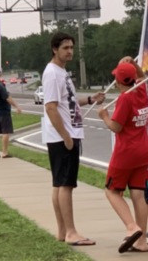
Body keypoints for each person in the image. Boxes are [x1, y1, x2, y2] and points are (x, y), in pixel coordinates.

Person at [42, 31, 105, 246]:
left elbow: (67, 101)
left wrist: (90, 99)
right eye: (65, 48)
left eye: (71, 48)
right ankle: (71, 232)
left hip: (66, 134)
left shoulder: (62, 73)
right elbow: (50, 107)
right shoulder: (52, 73)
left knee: (59, 184)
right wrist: (66, 136)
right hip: (62, 136)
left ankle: (62, 231)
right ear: (55, 49)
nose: (70, 52)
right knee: (66, 185)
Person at [98, 59, 148, 254]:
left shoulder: (125, 98)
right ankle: (142, 240)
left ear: (120, 82)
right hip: (143, 150)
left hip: (125, 152)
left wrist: (104, 116)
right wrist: (133, 64)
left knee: (111, 191)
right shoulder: (141, 91)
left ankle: (131, 227)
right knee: (138, 194)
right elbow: (143, 77)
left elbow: (116, 127)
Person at [0, 67, 22, 159]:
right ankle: (4, 152)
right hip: (3, 111)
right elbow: (7, 98)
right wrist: (17, 106)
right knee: (5, 131)